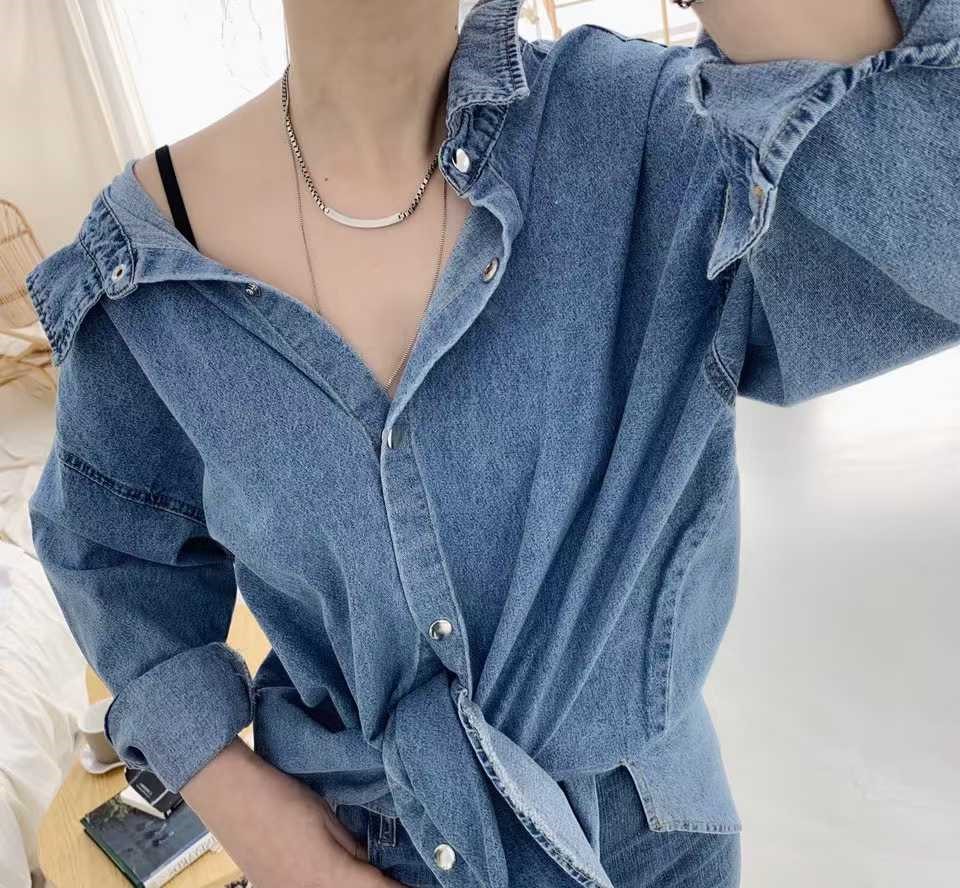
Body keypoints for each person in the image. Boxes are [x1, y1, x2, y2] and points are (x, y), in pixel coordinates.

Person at [24, 0, 957, 886]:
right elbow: (108, 559)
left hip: (647, 843)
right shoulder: (146, 270)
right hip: (362, 859)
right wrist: (245, 811)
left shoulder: (648, 135)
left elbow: (929, 202)